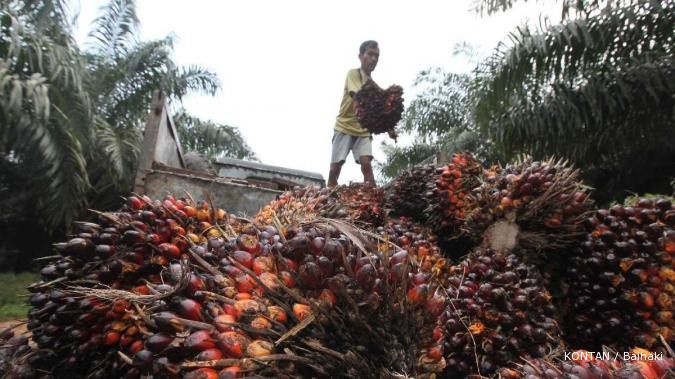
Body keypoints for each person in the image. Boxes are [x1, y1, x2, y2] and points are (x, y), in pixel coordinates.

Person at [328, 40, 397, 187]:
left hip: (362, 130)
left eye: (376, 56)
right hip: (344, 126)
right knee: (335, 169)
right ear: (360, 56)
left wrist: (389, 127)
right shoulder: (353, 74)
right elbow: (357, 97)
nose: (373, 59)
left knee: (366, 164)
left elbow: (381, 111)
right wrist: (378, 105)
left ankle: (373, 202)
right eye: (370, 54)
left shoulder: (374, 86)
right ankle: (327, 200)